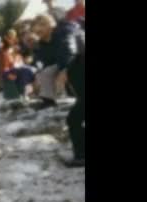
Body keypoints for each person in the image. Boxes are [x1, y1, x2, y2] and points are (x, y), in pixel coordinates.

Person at [31, 14, 85, 167]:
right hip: (80, 83)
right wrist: (36, 76)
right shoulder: (45, 43)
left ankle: (81, 156)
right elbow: (42, 61)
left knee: (74, 119)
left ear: (51, 24)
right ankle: (81, 155)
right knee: (74, 119)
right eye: (36, 27)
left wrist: (63, 71)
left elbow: (69, 50)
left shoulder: (66, 31)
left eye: (41, 25)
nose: (38, 30)